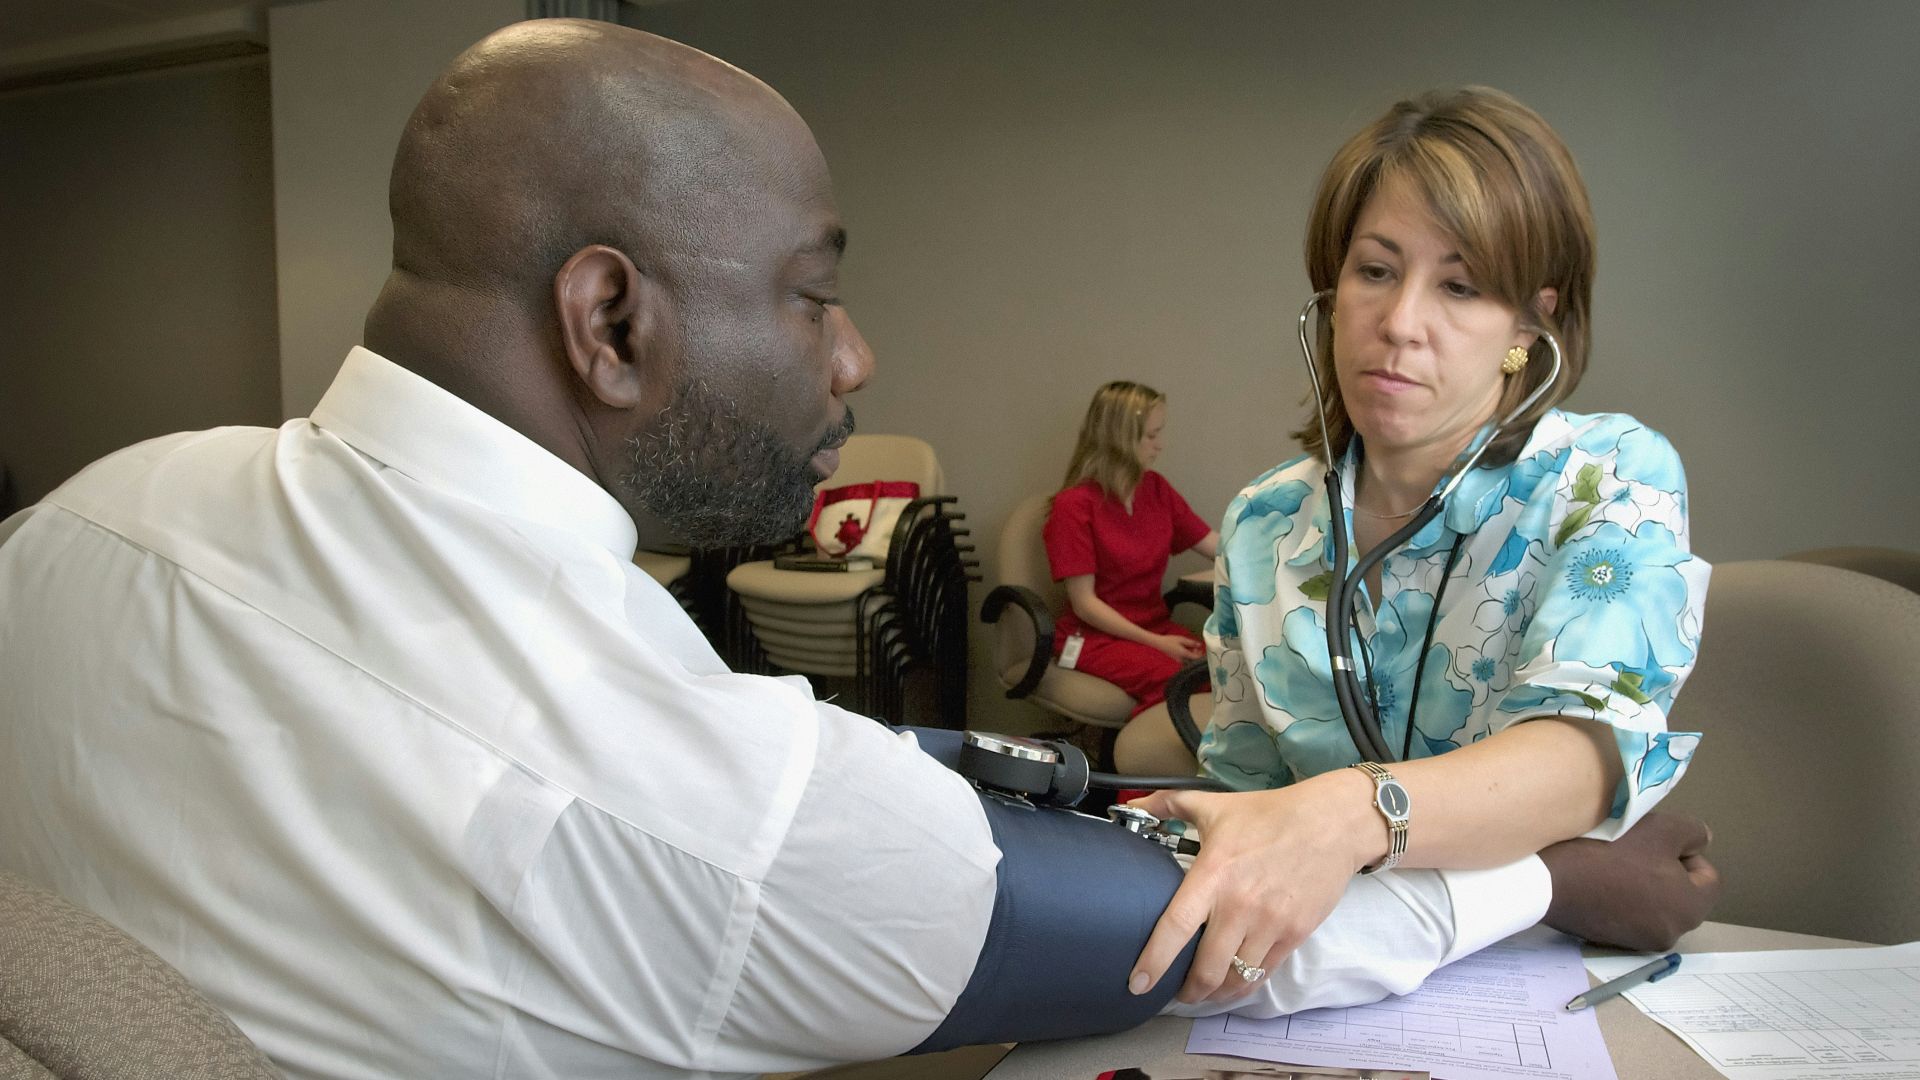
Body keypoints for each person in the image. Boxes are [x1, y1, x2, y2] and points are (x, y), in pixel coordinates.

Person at [0, 29, 1715, 1077]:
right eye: (816, 295)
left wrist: (1377, 822)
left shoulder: (75, 526)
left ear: (1532, 325)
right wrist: (1549, 878)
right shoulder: (688, 800)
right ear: (610, 319)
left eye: (1463, 286)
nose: (859, 359)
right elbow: (1204, 899)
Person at [1128, 87, 1717, 1005]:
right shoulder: (1262, 525)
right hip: (1318, 971)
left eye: (1461, 285)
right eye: (1374, 271)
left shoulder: (1609, 480)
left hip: (1539, 964)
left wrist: (1347, 814)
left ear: (1527, 326)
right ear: (1331, 295)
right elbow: (1242, 793)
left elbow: (1585, 752)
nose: (1401, 322)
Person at [1045, 381, 1219, 716]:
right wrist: (1157, 644)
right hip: (1095, 638)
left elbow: (1216, 546)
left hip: (1154, 625)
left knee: (1222, 669)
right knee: (1176, 681)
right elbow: (1084, 604)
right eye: (1151, 436)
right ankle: (1143, 762)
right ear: (1121, 439)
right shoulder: (1073, 506)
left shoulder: (1155, 490)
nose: (1160, 445)